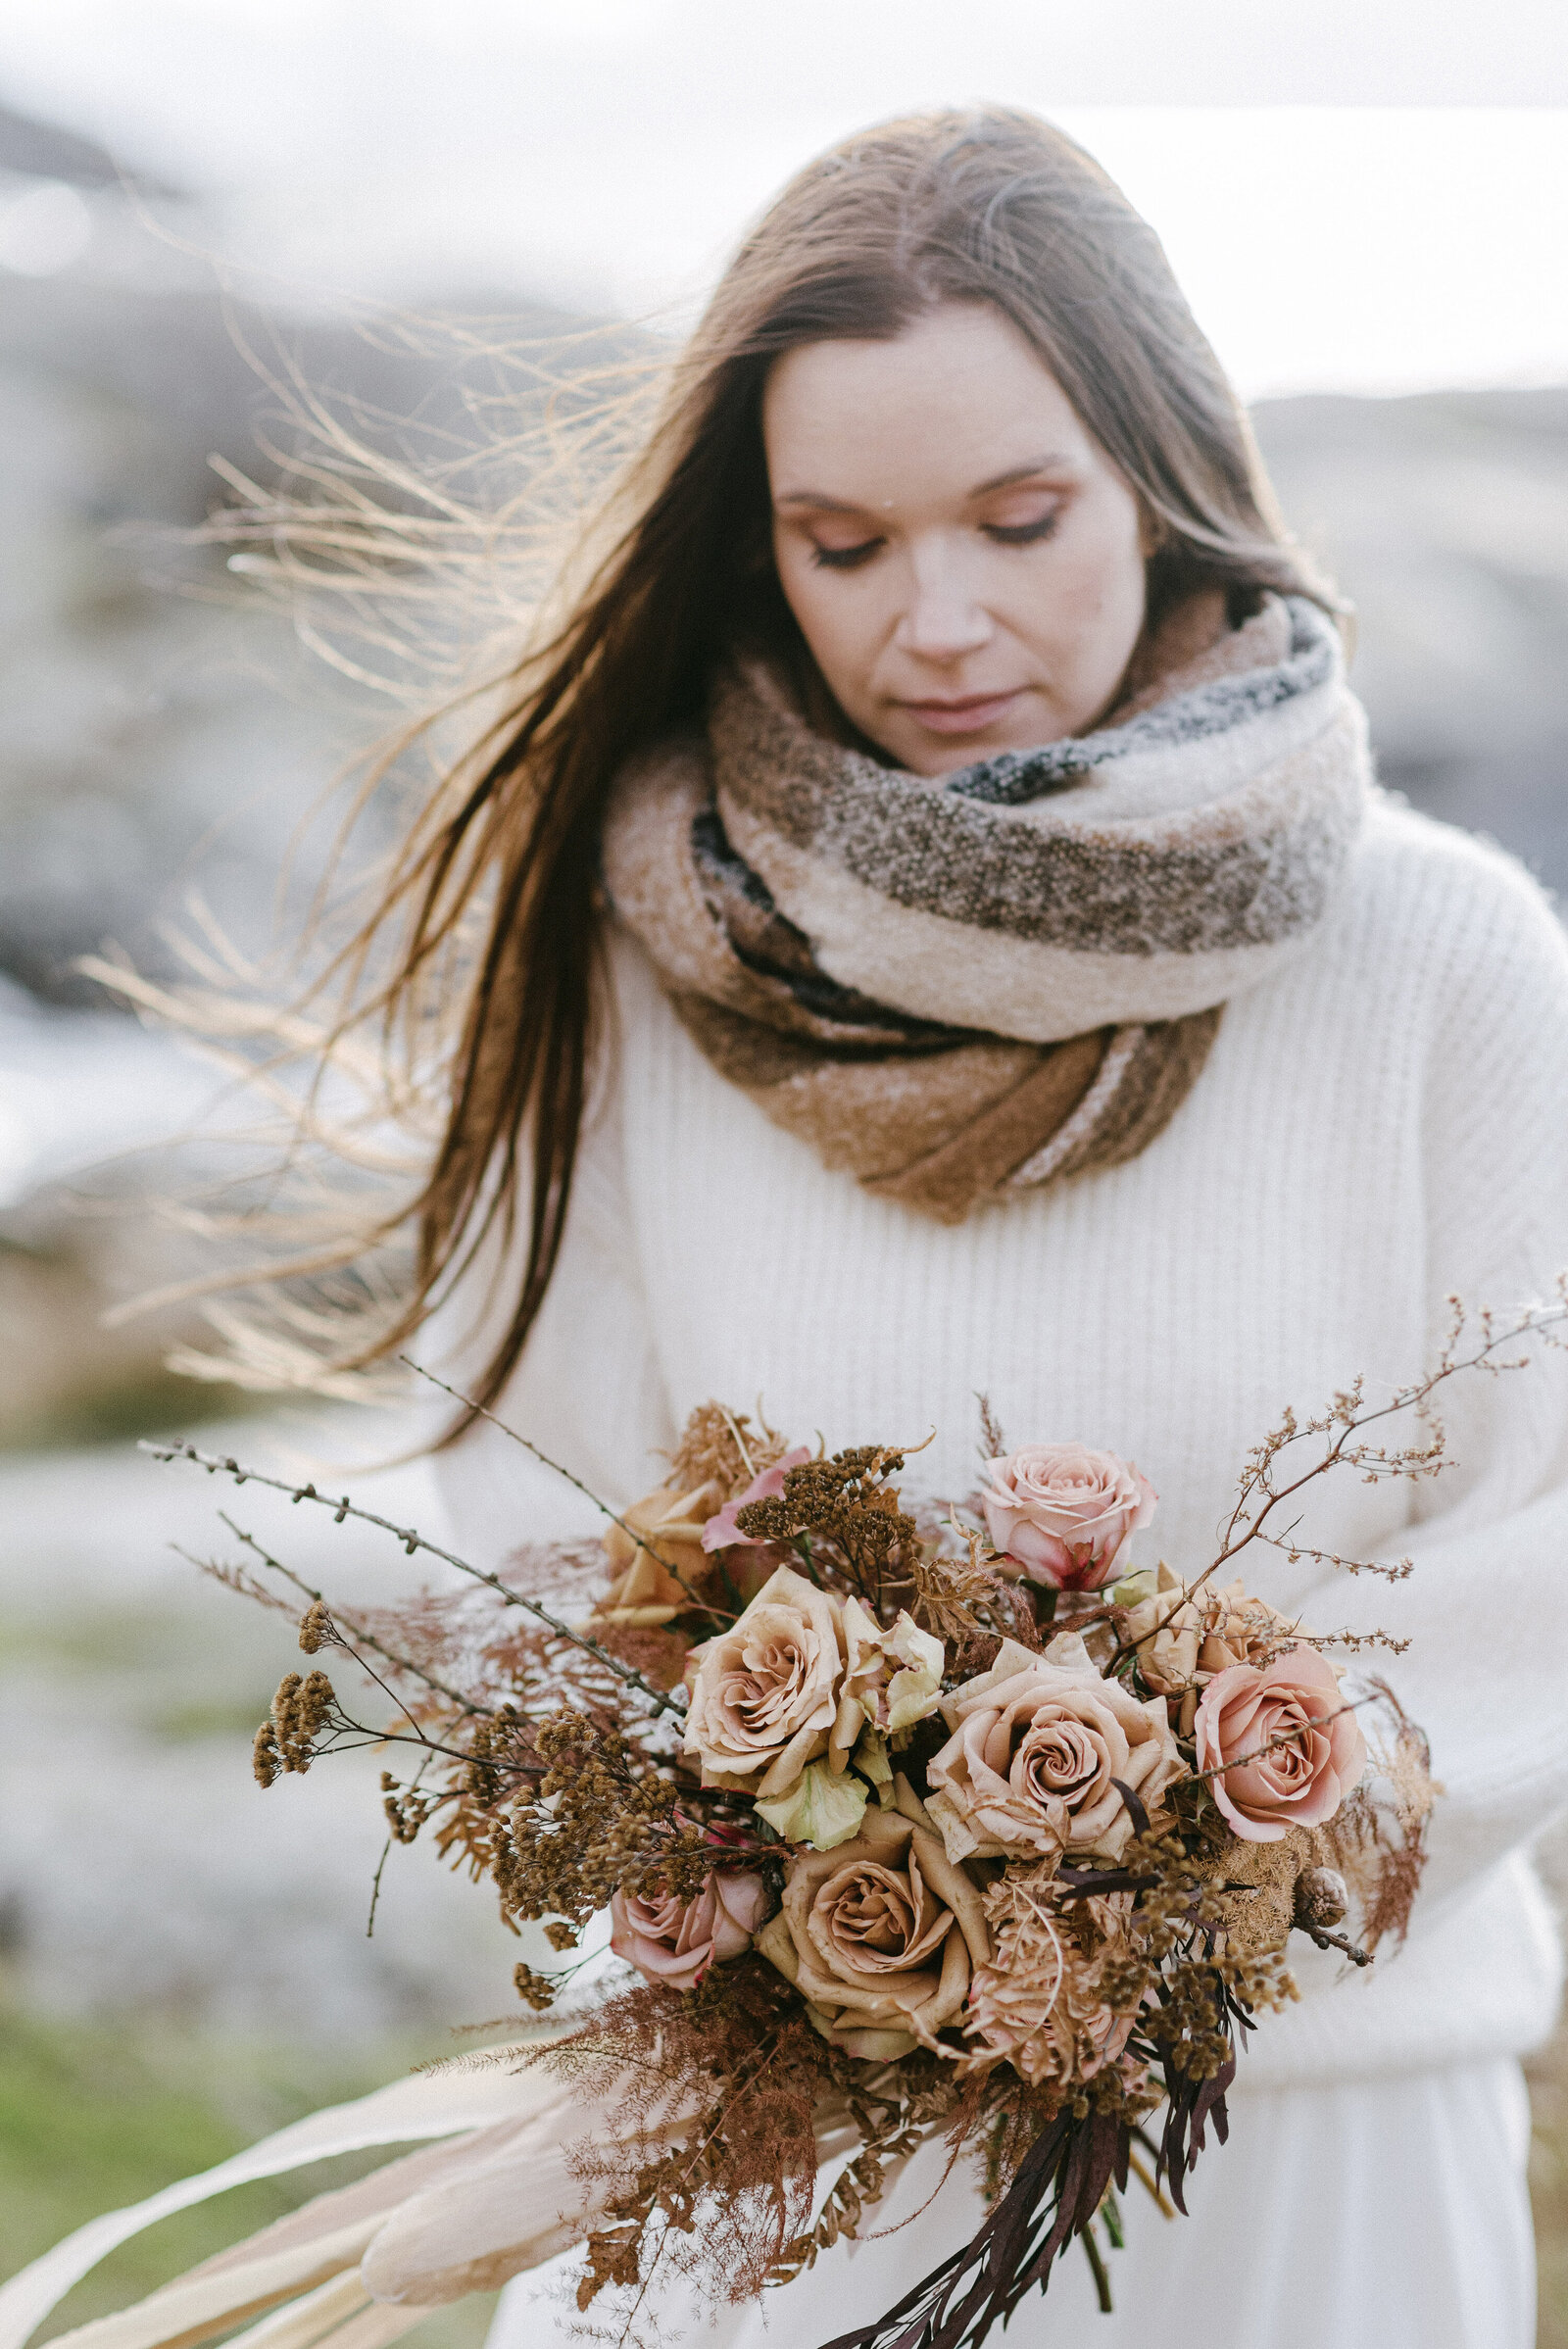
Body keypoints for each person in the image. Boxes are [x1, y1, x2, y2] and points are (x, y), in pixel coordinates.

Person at [20, 104, 1559, 2349]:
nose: (932, 620)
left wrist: (1120, 1886)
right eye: (839, 543)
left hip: (1303, 2162)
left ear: (1160, 482)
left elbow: (1544, 1555)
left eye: (1015, 520)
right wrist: (821, 1904)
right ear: (755, 554)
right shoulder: (630, 961)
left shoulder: (1449, 966)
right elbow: (541, 1529)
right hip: (761, 2150)